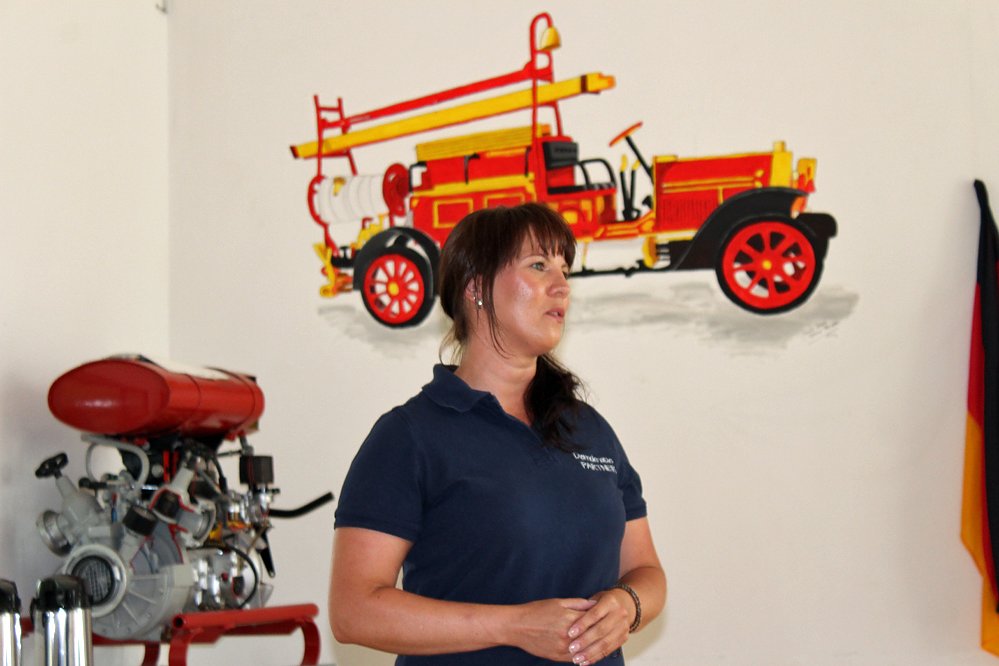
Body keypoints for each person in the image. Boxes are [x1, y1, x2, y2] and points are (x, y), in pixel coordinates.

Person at [330, 203, 666, 665]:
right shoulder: (409, 435)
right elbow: (353, 611)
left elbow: (646, 571)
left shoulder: (589, 428)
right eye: (538, 266)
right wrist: (513, 626)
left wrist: (627, 605)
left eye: (565, 270)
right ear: (476, 288)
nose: (562, 285)